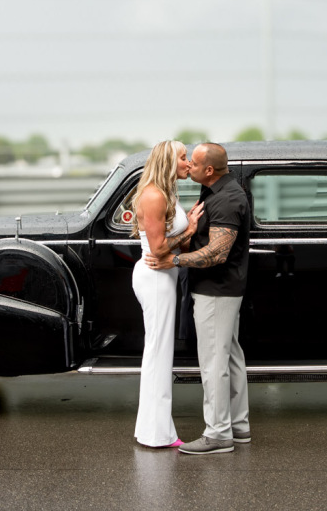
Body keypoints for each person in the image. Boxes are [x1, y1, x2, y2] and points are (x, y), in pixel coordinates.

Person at [147, 142, 251, 455]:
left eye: (193, 162)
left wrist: (175, 261)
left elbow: (218, 252)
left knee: (213, 361)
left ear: (208, 170)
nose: (188, 165)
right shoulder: (216, 190)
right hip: (222, 288)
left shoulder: (227, 198)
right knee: (230, 355)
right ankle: (239, 425)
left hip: (216, 289)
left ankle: (218, 434)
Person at [130, 140, 203, 448]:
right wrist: (190, 229)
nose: (188, 163)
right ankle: (157, 435)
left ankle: (151, 430)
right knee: (158, 355)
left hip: (165, 274)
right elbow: (159, 248)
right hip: (155, 278)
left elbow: (176, 247)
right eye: (183, 158)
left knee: (159, 353)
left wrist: (187, 232)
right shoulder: (154, 195)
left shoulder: (169, 193)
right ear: (169, 162)